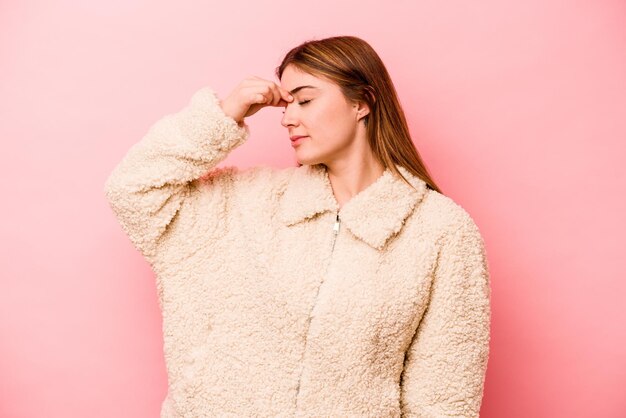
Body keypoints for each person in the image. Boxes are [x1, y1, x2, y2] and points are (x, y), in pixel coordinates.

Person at [104, 35, 491, 417]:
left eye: (305, 100)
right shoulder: (243, 202)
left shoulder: (441, 231)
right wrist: (224, 114)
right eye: (286, 106)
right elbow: (133, 189)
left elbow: (445, 399)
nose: (288, 117)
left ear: (362, 102)